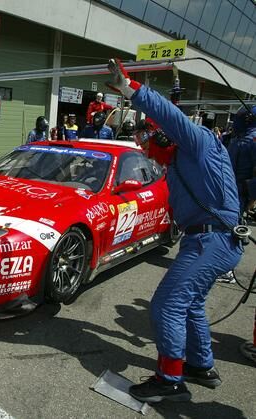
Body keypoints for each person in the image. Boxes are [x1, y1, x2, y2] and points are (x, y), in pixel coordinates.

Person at [106, 58, 243, 403]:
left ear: (167, 136)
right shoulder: (177, 165)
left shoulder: (200, 144)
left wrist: (130, 89)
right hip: (209, 238)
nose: (148, 149)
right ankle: (201, 365)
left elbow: (171, 116)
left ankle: (169, 378)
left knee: (166, 304)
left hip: (213, 237)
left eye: (151, 141)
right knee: (192, 303)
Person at [226, 105, 256, 218]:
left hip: (237, 195)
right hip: (228, 191)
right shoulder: (239, 138)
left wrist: (249, 192)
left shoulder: (253, 139)